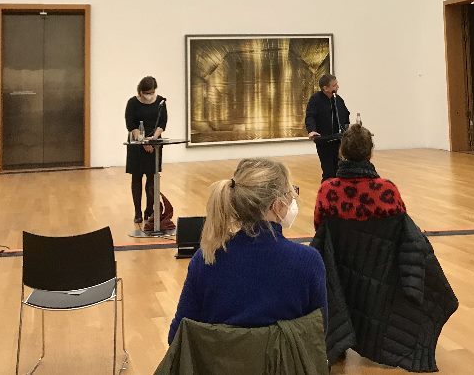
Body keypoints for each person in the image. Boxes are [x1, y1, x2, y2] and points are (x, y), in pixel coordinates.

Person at [168, 158, 326, 344]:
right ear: (276, 205)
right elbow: (319, 335)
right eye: (290, 192)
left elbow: (176, 337)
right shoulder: (307, 262)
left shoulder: (206, 259)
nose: (293, 199)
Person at [314, 123, 406, 229]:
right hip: (378, 246)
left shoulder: (327, 189)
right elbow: (401, 227)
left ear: (342, 152)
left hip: (339, 245)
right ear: (370, 153)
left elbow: (319, 229)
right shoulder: (388, 190)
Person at [124, 76, 167, 224]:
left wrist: (153, 139)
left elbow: (163, 123)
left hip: (154, 143)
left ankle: (149, 210)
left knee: (152, 178)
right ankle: (137, 212)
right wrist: (142, 141)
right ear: (141, 91)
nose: (149, 95)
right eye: (146, 93)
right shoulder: (132, 103)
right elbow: (131, 124)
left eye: (152, 92)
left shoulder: (161, 102)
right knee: (136, 178)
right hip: (137, 144)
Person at [305, 74, 350, 181]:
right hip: (324, 141)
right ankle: (326, 194)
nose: (337, 87)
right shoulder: (315, 99)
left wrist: (348, 130)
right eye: (334, 85)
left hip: (339, 141)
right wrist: (312, 131)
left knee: (340, 171)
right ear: (325, 88)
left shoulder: (338, 99)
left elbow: (346, 115)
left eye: (337, 84)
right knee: (329, 173)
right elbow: (310, 116)